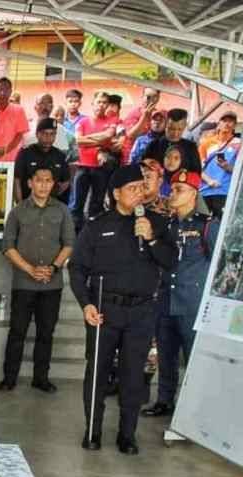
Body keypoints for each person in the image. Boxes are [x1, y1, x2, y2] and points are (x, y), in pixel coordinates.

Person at [70, 164, 177, 454]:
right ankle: (92, 430)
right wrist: (86, 304)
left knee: (133, 376)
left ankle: (127, 435)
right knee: (98, 373)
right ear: (116, 193)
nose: (139, 192)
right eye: (132, 188)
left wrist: (152, 238)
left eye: (142, 187)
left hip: (141, 312)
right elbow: (77, 268)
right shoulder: (97, 226)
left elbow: (170, 261)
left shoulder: (156, 222)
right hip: (104, 309)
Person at [143, 170, 219, 419]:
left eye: (180, 190)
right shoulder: (167, 225)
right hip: (166, 300)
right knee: (166, 355)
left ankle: (195, 409)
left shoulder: (207, 226)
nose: (173, 194)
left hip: (192, 303)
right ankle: (164, 400)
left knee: (193, 358)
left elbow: (221, 262)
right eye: (173, 188)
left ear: (194, 194)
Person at [0, 166, 75, 392]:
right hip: (24, 283)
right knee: (17, 332)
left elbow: (69, 244)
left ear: (53, 184)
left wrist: (53, 267)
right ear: (30, 183)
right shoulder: (18, 212)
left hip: (52, 284)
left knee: (46, 333)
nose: (43, 184)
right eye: (39, 180)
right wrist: (29, 269)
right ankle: (9, 377)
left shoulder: (62, 211)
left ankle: (40, 378)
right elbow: (7, 247)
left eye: (48, 180)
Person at [71, 91, 118, 231]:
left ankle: (94, 233)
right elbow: (78, 141)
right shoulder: (83, 121)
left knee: (97, 204)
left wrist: (89, 139)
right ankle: (75, 235)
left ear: (107, 105)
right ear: (93, 104)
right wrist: (101, 141)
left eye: (104, 102)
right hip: (82, 167)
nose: (101, 105)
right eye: (99, 102)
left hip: (100, 168)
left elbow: (108, 135)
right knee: (77, 204)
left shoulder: (111, 121)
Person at [14, 118, 71, 204]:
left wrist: (54, 197)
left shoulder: (59, 156)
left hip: (51, 206)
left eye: (52, 134)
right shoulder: (25, 153)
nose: (48, 138)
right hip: (29, 204)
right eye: (45, 134)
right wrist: (20, 204)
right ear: (37, 134)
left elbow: (66, 181)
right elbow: (17, 180)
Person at [198, 111, 240, 218]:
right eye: (224, 121)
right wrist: (209, 181)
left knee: (220, 225)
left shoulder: (240, 144)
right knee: (200, 225)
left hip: (225, 192)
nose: (227, 124)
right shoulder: (206, 143)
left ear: (235, 125)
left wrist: (228, 167)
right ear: (219, 123)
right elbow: (197, 168)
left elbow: (242, 171)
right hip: (205, 191)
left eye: (230, 121)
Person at [141, 108, 201, 176]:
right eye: (171, 129)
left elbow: (196, 174)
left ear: (185, 126)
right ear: (165, 125)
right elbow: (142, 169)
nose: (175, 133)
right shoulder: (153, 145)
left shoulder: (191, 147)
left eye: (179, 129)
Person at [0, 77, 29, 162]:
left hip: (12, 162)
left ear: (10, 92)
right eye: (0, 90)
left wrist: (5, 150)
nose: (3, 93)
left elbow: (19, 135)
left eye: (6, 90)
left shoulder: (19, 110)